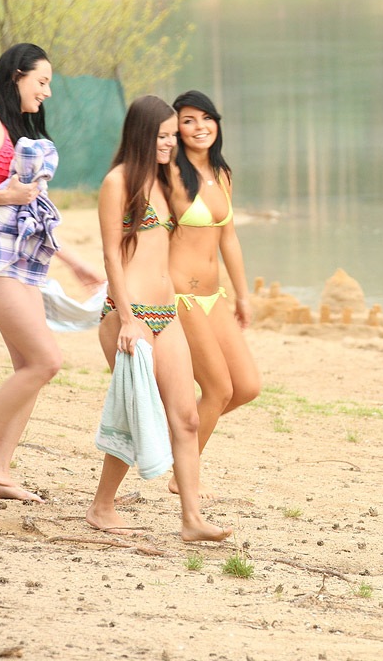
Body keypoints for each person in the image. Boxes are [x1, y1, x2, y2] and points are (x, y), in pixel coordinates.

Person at [0, 43, 102, 502]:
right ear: (16, 76)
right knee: (47, 360)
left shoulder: (19, 133)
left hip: (15, 263)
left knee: (30, 365)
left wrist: (73, 261)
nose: (47, 92)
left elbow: (32, 213)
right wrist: (3, 196)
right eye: (41, 81)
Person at [86, 94, 231, 542]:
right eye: (163, 136)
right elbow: (111, 255)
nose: (170, 143)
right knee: (138, 414)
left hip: (167, 314)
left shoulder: (167, 181)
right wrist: (128, 318)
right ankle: (102, 507)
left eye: (172, 135)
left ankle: (192, 520)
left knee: (186, 418)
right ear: (142, 134)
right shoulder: (118, 182)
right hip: (128, 314)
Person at [164, 90, 260, 495]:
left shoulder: (222, 173)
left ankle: (176, 438)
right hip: (180, 295)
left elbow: (229, 238)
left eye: (206, 118)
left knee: (247, 387)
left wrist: (242, 295)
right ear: (176, 129)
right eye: (188, 120)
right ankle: (183, 473)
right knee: (218, 389)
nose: (199, 127)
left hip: (213, 296)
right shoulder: (169, 173)